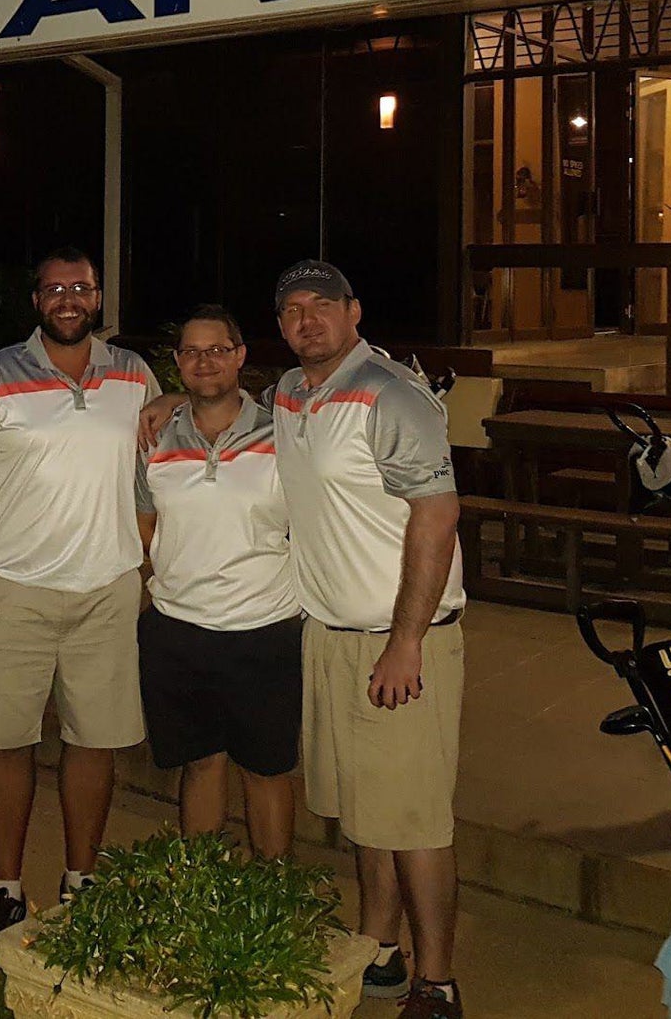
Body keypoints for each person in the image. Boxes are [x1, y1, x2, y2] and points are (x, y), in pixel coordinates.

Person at [0, 247, 162, 957]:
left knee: (94, 741)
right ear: (36, 301)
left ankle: (81, 880)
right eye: (54, 288)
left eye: (80, 288)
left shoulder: (135, 375)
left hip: (108, 590)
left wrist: (151, 570)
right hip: (15, 590)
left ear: (98, 298)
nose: (68, 298)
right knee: (5, 740)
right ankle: (6, 889)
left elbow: (154, 477)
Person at [271, 259, 466, 1019]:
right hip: (330, 634)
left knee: (414, 818)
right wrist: (164, 409)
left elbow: (437, 514)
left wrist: (405, 641)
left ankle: (438, 979)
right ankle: (378, 948)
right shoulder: (291, 393)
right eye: (292, 309)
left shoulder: (391, 395)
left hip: (402, 640)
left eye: (323, 305)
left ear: (355, 311)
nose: (307, 319)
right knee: (364, 808)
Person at [135, 305, 300, 857]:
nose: (204, 361)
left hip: (265, 628)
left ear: (240, 356)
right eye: (191, 351)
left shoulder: (285, 435)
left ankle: (275, 900)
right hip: (179, 629)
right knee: (201, 763)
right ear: (178, 362)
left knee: (267, 771)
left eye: (217, 350)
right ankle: (202, 894)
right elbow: (145, 525)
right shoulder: (153, 438)